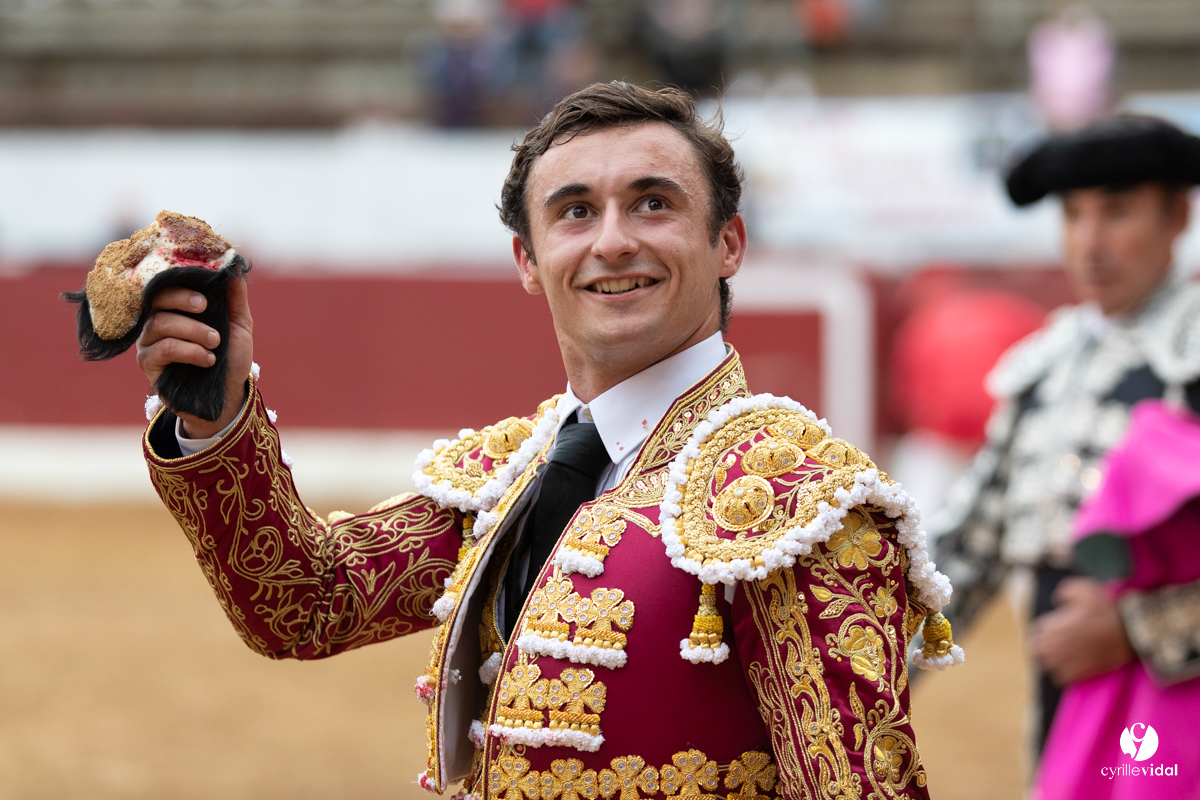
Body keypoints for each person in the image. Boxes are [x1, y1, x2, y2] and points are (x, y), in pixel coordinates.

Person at [133, 82, 958, 799]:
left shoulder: (795, 497)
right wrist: (215, 412)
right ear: (529, 261)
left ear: (729, 245)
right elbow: (306, 604)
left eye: (653, 203)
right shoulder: (512, 472)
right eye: (575, 212)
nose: (612, 241)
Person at [932, 115, 1200, 765]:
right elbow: (961, 555)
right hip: (1063, 693)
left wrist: (1137, 630)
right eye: (1074, 216)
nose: (1090, 242)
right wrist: (839, 674)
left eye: (1116, 212)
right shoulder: (1044, 365)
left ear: (1178, 218)